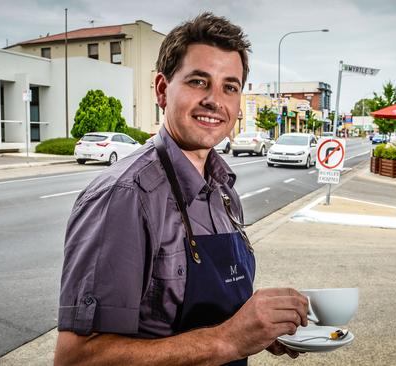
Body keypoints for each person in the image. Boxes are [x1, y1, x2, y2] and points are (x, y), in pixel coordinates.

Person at [54, 13, 309, 366]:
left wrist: (256, 331)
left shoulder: (223, 189)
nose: (214, 100)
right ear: (162, 89)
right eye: (198, 82)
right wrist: (227, 340)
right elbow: (77, 359)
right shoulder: (125, 195)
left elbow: (222, 325)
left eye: (229, 87)